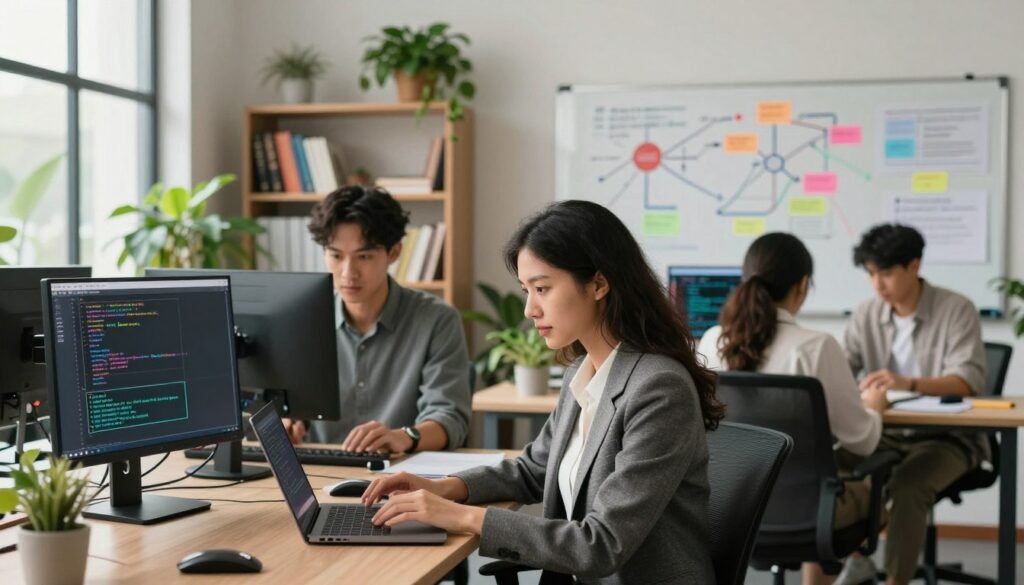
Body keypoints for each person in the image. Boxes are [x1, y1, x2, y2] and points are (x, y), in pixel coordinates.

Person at [362, 200, 723, 584]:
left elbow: (601, 545)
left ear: (599, 284)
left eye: (542, 288)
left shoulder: (658, 388)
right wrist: (444, 488)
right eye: (525, 290)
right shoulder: (581, 374)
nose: (530, 310)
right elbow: (534, 468)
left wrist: (460, 517)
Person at [697, 232, 888, 585]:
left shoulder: (711, 341)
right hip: (809, 512)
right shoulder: (817, 347)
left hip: (729, 510)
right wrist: (874, 408)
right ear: (802, 286)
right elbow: (861, 442)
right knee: (876, 488)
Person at [838, 223, 986, 585]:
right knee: (830, 460)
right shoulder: (866, 314)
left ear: (914, 266)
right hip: (885, 432)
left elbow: (966, 381)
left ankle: (895, 580)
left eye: (886, 273)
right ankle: (855, 553)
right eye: (871, 274)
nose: (877, 284)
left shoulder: (956, 309)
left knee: (907, 484)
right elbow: (842, 372)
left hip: (947, 437)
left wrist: (908, 383)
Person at [283, 185, 470, 454]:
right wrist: (288, 423)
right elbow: (288, 405)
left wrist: (404, 437)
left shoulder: (437, 320)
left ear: (393, 253)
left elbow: (450, 418)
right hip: (319, 472)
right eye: (336, 256)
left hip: (402, 474)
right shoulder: (302, 321)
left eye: (364, 257)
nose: (348, 273)